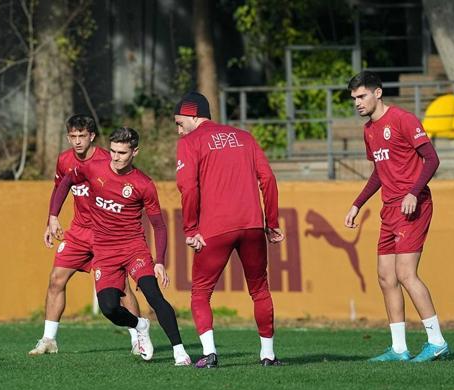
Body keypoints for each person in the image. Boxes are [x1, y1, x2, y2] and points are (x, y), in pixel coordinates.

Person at [48, 127, 191, 366]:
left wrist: (160, 262)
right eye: (113, 151)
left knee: (154, 296)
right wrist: (53, 215)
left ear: (135, 152)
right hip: (104, 251)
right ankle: (140, 325)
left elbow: (159, 225)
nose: (115, 157)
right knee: (109, 308)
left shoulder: (143, 183)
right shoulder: (93, 168)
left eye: (122, 153)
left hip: (134, 248)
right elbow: (66, 182)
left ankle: (180, 351)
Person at [174, 92, 284, 368]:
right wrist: (271, 222)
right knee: (260, 290)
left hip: (215, 228)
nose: (178, 129)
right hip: (252, 225)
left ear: (193, 115)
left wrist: (190, 228)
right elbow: (268, 179)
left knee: (200, 292)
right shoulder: (245, 137)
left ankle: (210, 353)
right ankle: (268, 355)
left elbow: (188, 187)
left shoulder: (190, 141)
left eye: (179, 123)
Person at [345, 71, 448, 362]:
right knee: (386, 276)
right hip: (389, 209)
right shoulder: (369, 130)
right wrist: (358, 204)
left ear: (378, 93)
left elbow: (432, 158)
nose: (357, 103)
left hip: (412, 206)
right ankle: (399, 348)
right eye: (354, 98)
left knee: (405, 273)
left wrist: (414, 192)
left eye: (362, 96)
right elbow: (380, 171)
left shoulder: (403, 119)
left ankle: (437, 340)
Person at [30, 115, 142, 356]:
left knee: (121, 288)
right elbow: (60, 187)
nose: (77, 141)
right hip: (79, 231)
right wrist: (52, 218)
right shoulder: (64, 160)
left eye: (82, 136)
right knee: (56, 280)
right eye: (73, 136)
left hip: (105, 234)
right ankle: (49, 339)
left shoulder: (106, 159)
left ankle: (138, 337)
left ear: (92, 136)